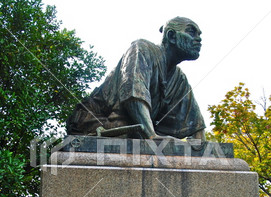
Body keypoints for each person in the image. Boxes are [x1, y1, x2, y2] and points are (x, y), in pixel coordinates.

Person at [66, 17, 205, 140]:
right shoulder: (142, 49)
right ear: (172, 36)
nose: (198, 39)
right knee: (134, 135)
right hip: (96, 121)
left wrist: (204, 150)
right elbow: (134, 95)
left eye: (199, 34)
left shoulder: (179, 78)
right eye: (191, 32)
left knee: (142, 136)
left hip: (134, 128)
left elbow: (194, 125)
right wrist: (152, 136)